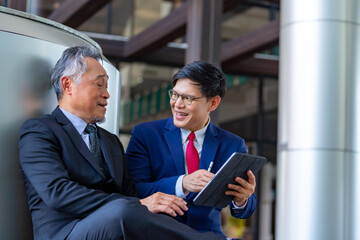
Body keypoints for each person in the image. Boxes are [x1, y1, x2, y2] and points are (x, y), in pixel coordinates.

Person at [19, 46, 228, 240]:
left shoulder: (110, 142)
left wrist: (152, 201)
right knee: (125, 210)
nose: (107, 94)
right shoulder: (40, 131)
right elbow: (58, 193)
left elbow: (132, 196)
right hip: (64, 232)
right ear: (68, 85)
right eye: (99, 84)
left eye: (107, 86)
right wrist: (137, 204)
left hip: (114, 226)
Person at [125, 61, 257, 237]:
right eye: (174, 95)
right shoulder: (146, 135)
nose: (177, 104)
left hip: (207, 235)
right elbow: (132, 191)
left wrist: (242, 199)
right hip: (157, 232)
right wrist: (183, 183)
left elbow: (242, 210)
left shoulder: (233, 144)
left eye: (188, 98)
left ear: (213, 103)